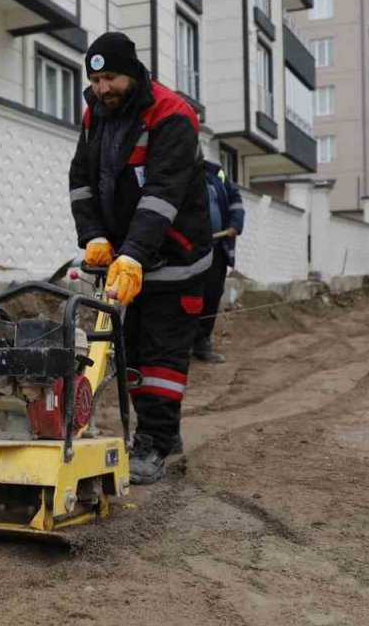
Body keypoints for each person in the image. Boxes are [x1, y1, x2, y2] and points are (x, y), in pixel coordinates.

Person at [69, 32, 211, 484]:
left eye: (110, 78)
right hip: (127, 259)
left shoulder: (172, 115)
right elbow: (81, 181)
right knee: (130, 354)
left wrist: (132, 254)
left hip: (176, 258)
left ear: (131, 73)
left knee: (161, 356)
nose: (102, 88)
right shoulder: (96, 117)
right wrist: (93, 236)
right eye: (94, 80)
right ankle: (162, 433)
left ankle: (153, 442)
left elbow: (162, 195)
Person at [192, 159, 245, 364]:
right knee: (188, 296)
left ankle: (202, 344)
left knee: (212, 295)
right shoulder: (179, 169)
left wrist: (236, 223)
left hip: (217, 247)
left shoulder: (217, 173)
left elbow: (235, 200)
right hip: (191, 249)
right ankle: (183, 344)